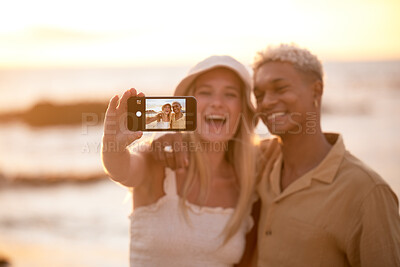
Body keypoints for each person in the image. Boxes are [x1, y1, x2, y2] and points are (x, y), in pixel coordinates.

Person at [101, 55, 261, 266]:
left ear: (243, 109)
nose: (217, 103)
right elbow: (121, 170)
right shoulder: (158, 162)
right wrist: (113, 146)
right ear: (184, 105)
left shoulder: (248, 181)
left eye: (230, 94)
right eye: (205, 92)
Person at [253, 43, 400, 266]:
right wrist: (178, 130)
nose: (267, 102)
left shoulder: (367, 192)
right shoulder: (262, 159)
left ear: (317, 90)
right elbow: (204, 142)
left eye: (280, 89)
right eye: (259, 94)